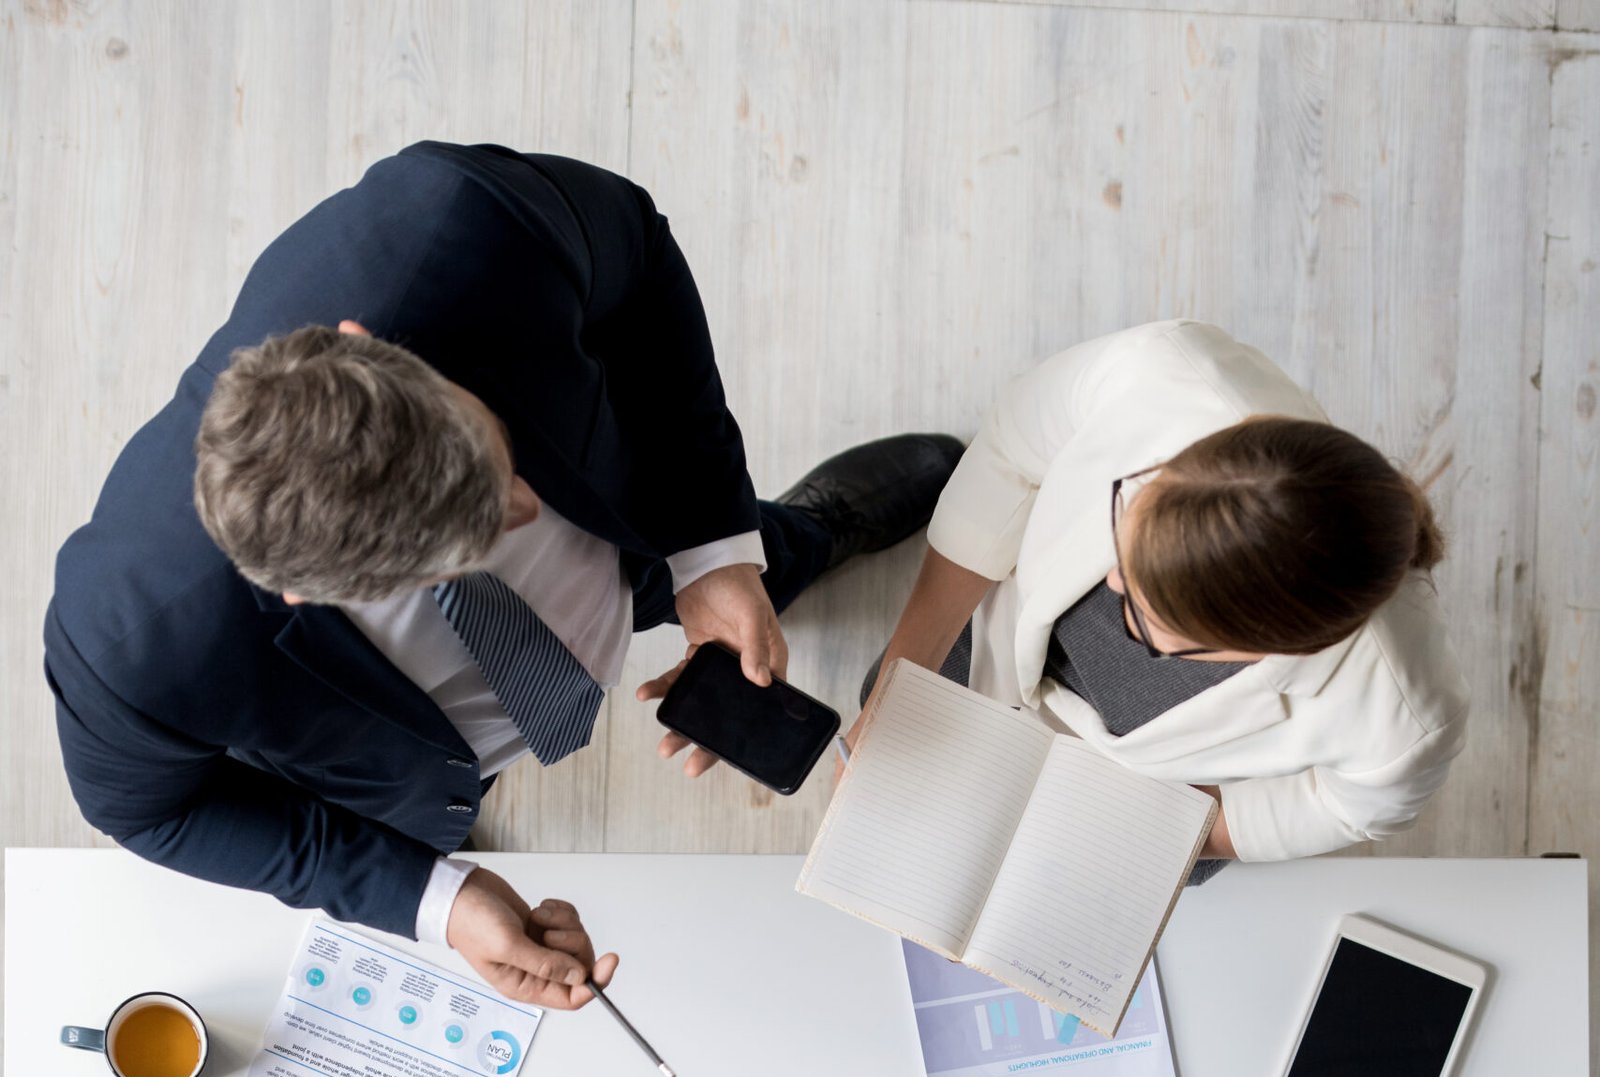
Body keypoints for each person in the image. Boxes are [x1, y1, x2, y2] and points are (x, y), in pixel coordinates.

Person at [44, 143, 959, 1006]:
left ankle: (803, 535)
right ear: (305, 591)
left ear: (368, 343)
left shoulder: (458, 221)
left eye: (494, 459)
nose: (525, 509)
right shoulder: (129, 646)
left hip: (624, 517)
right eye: (475, 534)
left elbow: (636, 256)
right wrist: (433, 898)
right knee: (427, 801)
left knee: (743, 559)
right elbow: (153, 814)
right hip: (392, 739)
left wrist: (712, 549)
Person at [849, 321, 1468, 869]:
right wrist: (896, 688)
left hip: (1154, 788)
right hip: (1005, 643)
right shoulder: (1163, 370)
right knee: (891, 716)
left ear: (1263, 648)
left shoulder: (1407, 718)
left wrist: (1171, 832)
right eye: (1130, 530)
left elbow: (1347, 807)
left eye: (1148, 618)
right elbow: (1012, 451)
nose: (1113, 582)